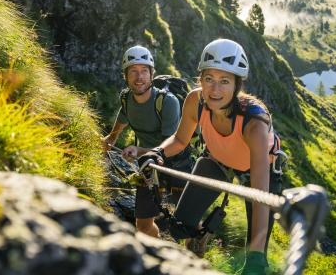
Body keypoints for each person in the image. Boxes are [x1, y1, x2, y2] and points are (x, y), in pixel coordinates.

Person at [139, 39, 282, 275]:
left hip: (259, 174)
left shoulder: (255, 123)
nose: (215, 90)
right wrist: (157, 153)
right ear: (201, 79)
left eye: (224, 81)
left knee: (255, 261)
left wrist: (256, 254)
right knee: (180, 227)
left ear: (237, 84)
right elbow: (180, 140)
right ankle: (198, 248)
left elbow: (260, 196)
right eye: (209, 79)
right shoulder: (195, 101)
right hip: (217, 160)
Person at [102, 45, 192, 237]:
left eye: (144, 71)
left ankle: (197, 245)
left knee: (187, 223)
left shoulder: (167, 102)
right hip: (148, 165)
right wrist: (112, 138)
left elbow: (171, 144)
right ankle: (156, 254)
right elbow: (124, 115)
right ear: (125, 76)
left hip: (177, 163)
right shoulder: (126, 98)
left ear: (152, 74)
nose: (139, 77)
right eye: (133, 71)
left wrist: (138, 150)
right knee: (143, 225)